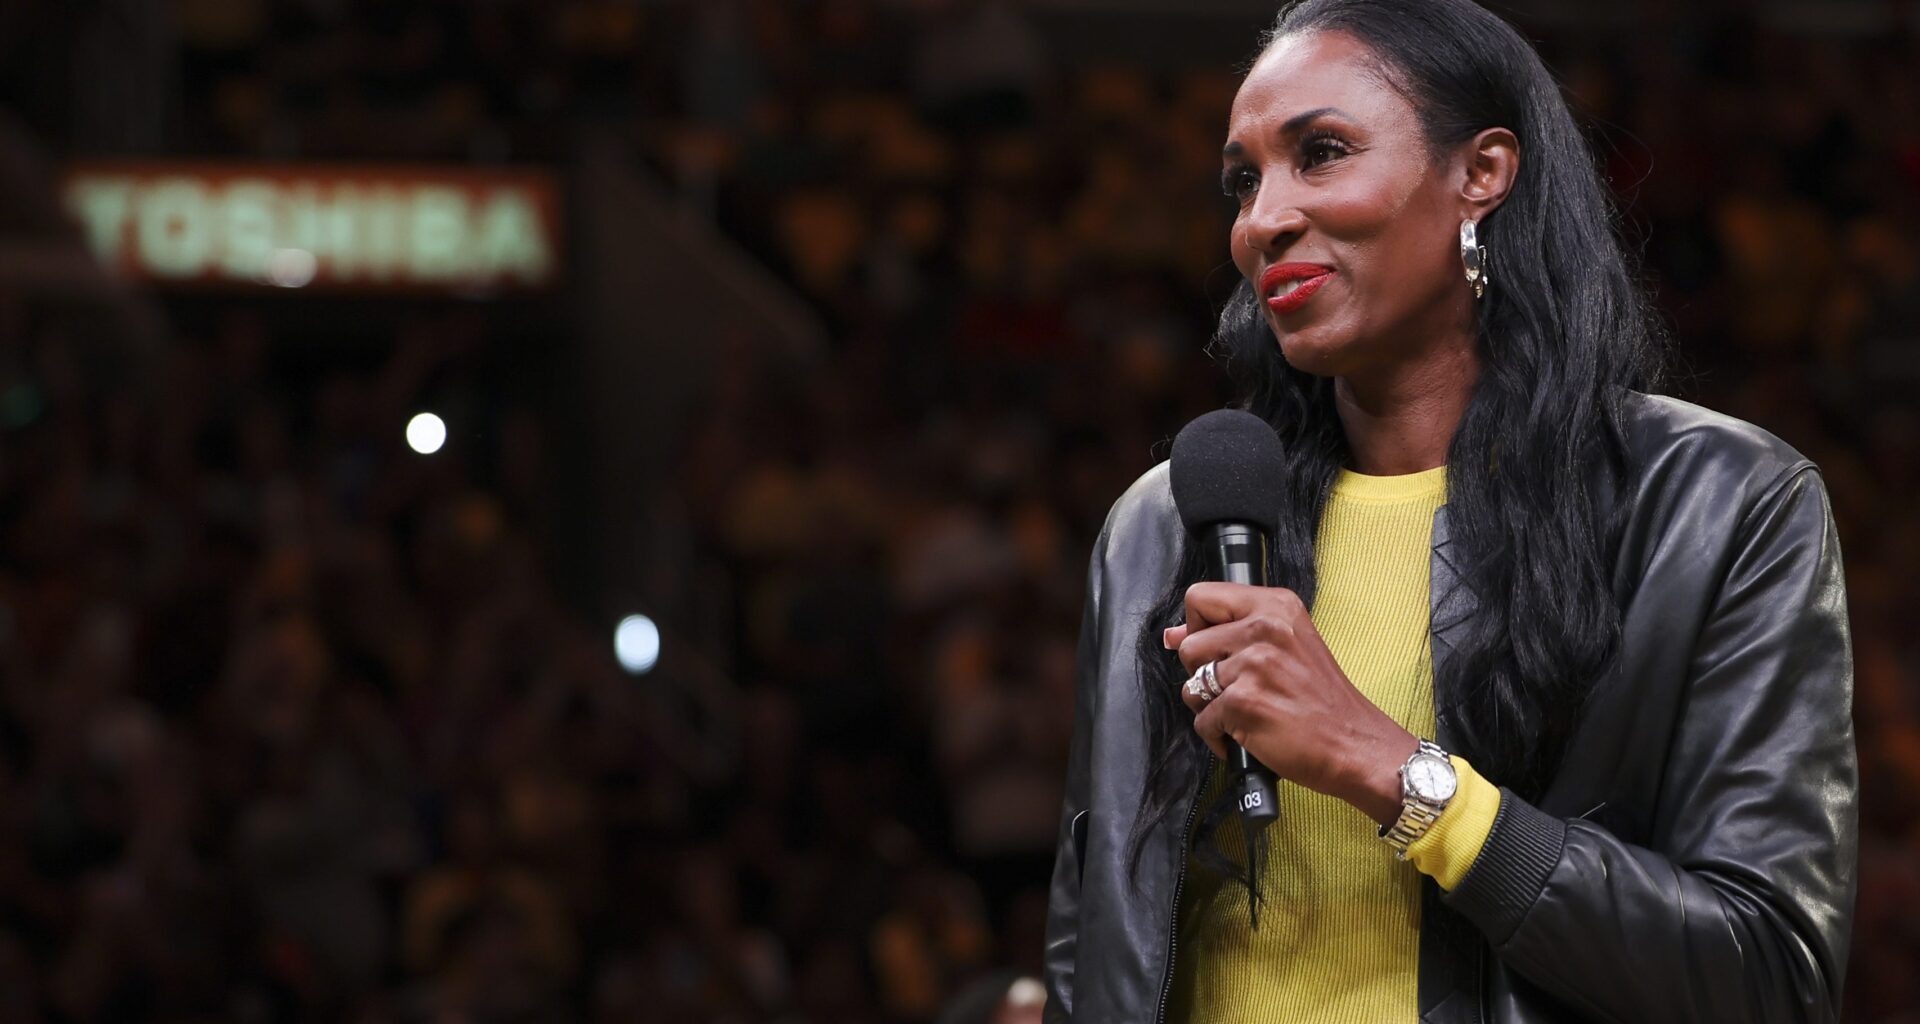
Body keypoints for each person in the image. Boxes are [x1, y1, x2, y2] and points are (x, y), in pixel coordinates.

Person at [1039, 1, 1857, 1023]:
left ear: (1483, 173)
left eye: (1322, 152)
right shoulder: (1161, 525)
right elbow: (1091, 953)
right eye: (1243, 180)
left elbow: (1768, 974)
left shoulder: (1718, 504)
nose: (1262, 219)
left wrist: (1392, 770)